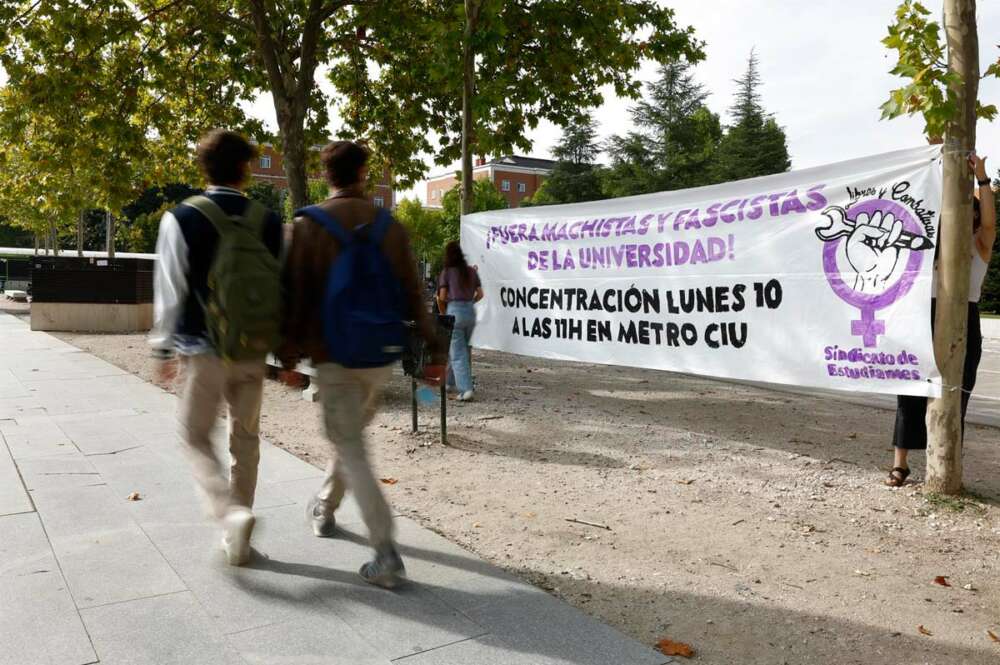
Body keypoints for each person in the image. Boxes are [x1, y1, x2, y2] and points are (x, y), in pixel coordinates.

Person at [281, 140, 445, 588]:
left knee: (353, 449)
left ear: (325, 175)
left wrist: (287, 356)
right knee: (348, 438)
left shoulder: (307, 224)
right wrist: (434, 351)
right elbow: (415, 293)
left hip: (334, 356)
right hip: (379, 355)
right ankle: (325, 504)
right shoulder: (390, 226)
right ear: (363, 172)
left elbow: (293, 296)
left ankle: (386, 550)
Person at [149, 129, 284, 565]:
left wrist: (162, 348)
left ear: (202, 167)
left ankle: (231, 514)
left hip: (203, 349)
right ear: (246, 169)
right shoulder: (267, 218)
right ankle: (238, 533)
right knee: (246, 438)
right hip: (251, 350)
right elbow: (281, 287)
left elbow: (169, 288)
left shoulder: (182, 217)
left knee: (193, 435)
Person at [886, 154, 995, 486]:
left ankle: (947, 464)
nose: (971, 214)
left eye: (974, 210)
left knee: (957, 392)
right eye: (963, 209)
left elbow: (991, 223)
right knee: (910, 390)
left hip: (965, 317)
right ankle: (900, 464)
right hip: (923, 316)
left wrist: (983, 180)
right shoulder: (928, 247)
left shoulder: (980, 245)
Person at [437, 241, 483, 401]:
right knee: (459, 349)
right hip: (470, 312)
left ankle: (466, 390)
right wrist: (468, 301)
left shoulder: (446, 272)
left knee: (458, 353)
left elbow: (442, 297)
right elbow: (480, 294)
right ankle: (449, 383)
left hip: (454, 311)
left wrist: (453, 301)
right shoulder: (471, 271)